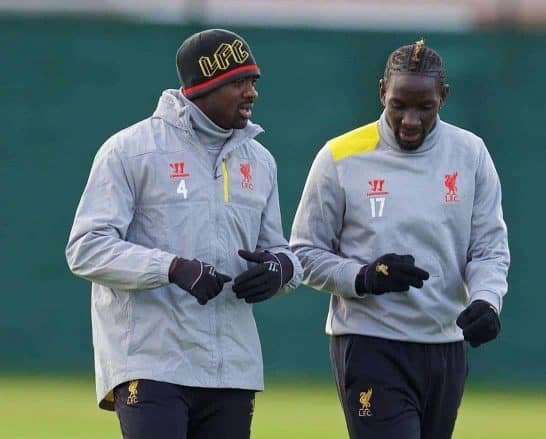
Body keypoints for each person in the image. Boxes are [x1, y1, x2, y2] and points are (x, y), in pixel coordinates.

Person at [66, 29, 302, 439]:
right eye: (238, 82)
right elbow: (86, 248)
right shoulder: (130, 150)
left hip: (233, 367)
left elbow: (279, 250)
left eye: (254, 81)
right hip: (150, 361)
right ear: (203, 87)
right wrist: (170, 267)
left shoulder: (260, 161)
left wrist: (281, 270)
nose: (251, 93)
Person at [290, 39, 509, 439]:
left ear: (443, 97)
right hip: (372, 343)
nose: (410, 120)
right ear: (381, 94)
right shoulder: (339, 156)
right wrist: (362, 277)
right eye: (398, 105)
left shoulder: (470, 153)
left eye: (424, 107)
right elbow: (303, 253)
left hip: (445, 346)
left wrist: (486, 300)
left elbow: (489, 248)